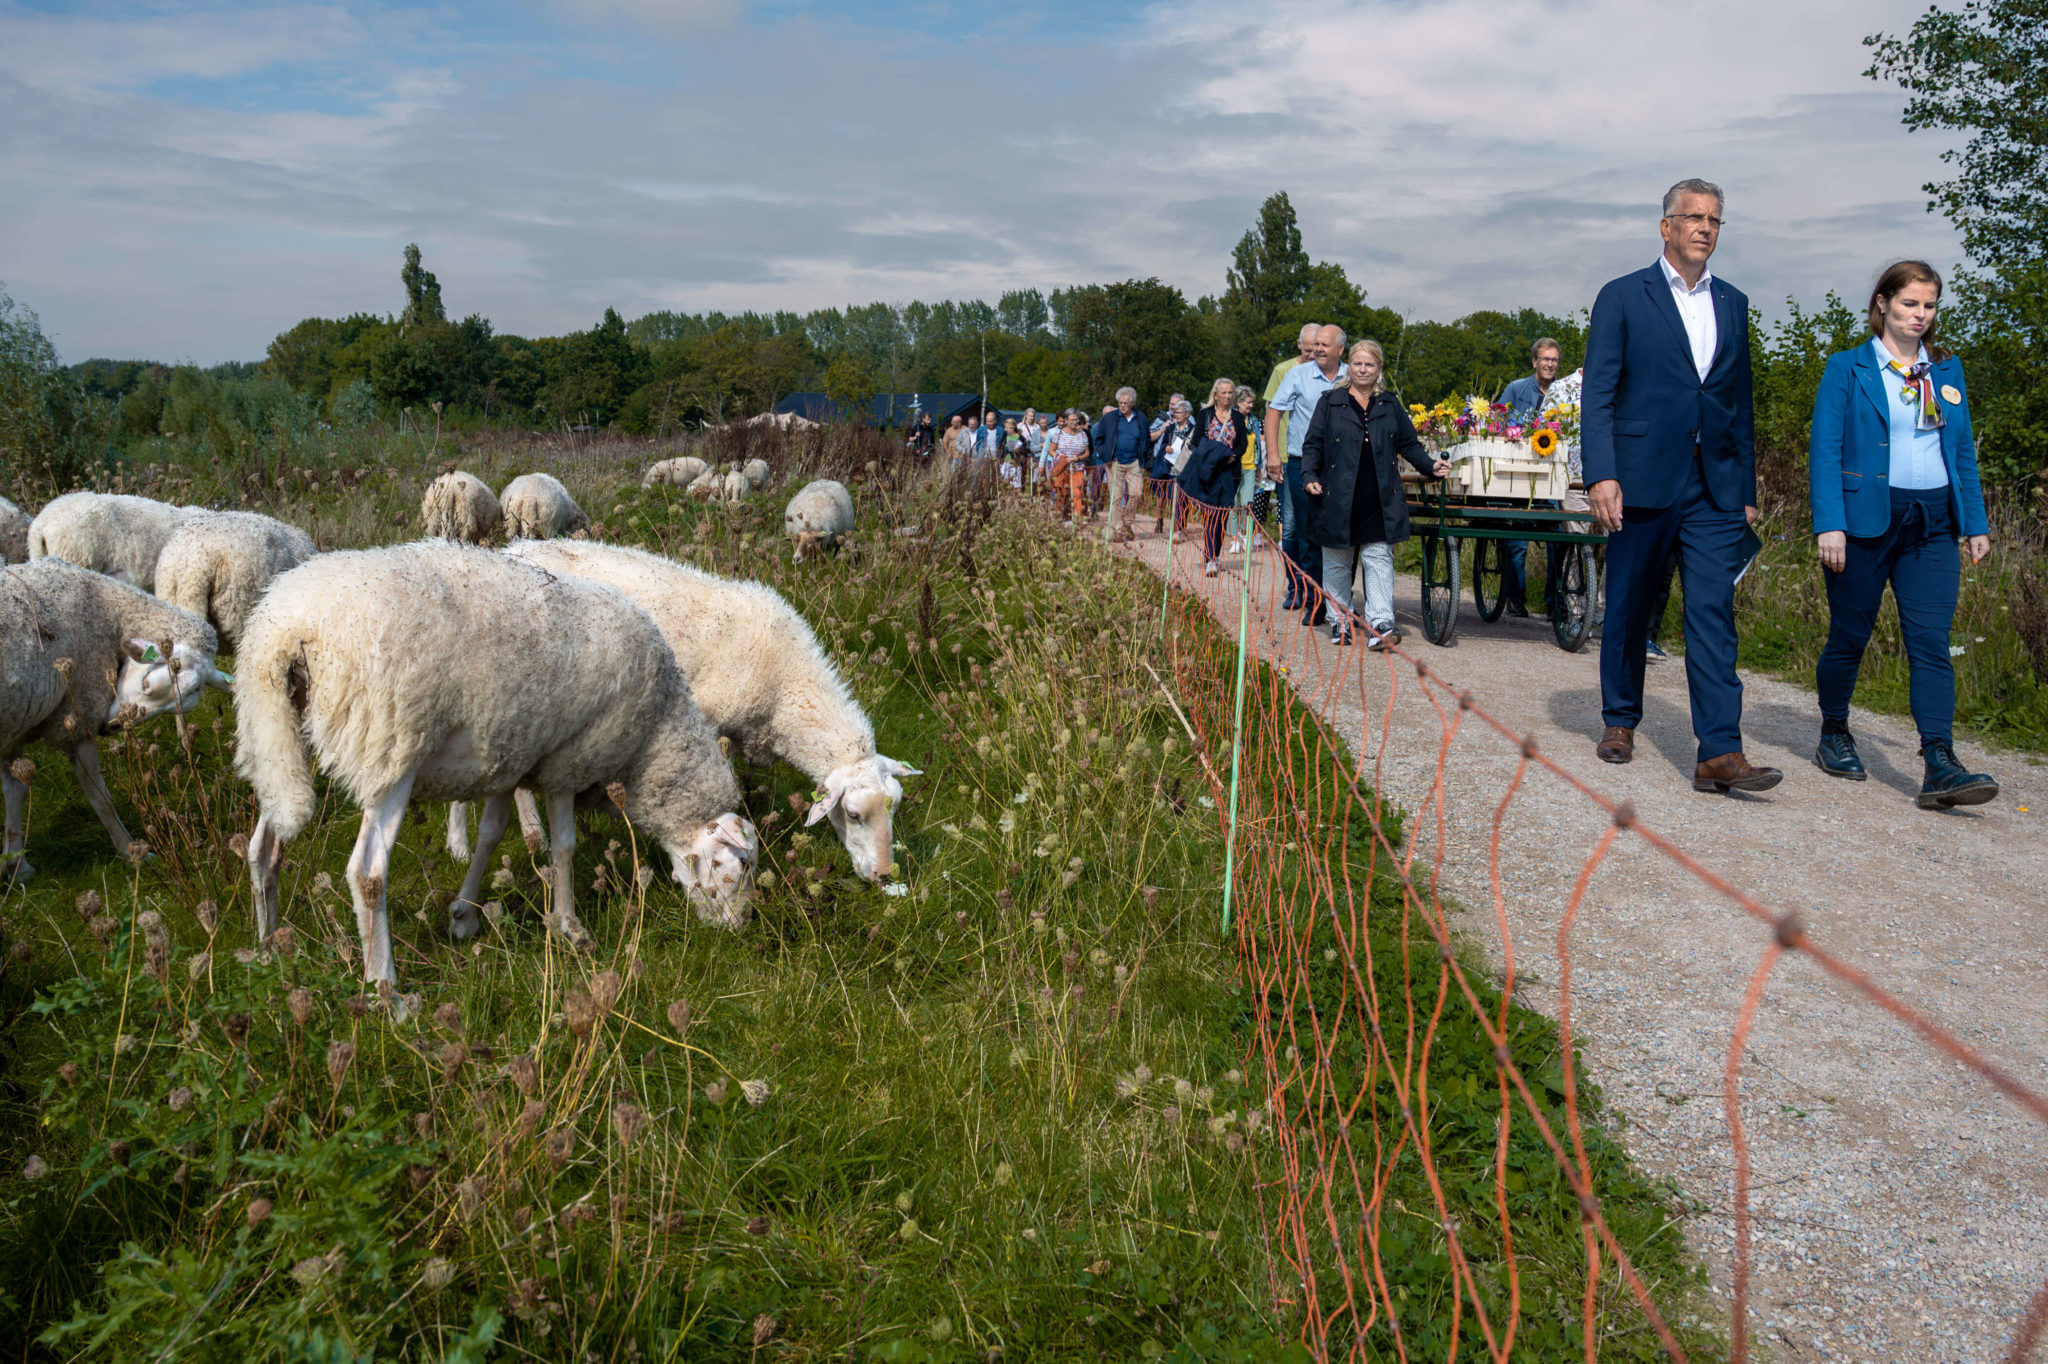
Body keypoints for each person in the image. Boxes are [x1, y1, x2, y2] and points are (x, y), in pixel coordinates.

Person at [1582, 178, 1778, 792]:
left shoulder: (1735, 302)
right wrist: (1602, 473)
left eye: (1714, 220)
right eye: (1692, 217)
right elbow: (1600, 394)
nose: (1703, 228)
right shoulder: (1621, 296)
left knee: (1714, 613)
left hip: (1714, 486)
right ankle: (1619, 719)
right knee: (1633, 602)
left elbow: (1736, 402)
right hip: (1640, 477)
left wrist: (1744, 487)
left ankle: (1719, 749)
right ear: (1665, 226)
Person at [1808, 260, 1997, 809]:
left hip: (1934, 522)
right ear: (1884, 303)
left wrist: (1975, 523)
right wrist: (1830, 523)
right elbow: (1826, 449)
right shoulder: (1848, 368)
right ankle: (1834, 731)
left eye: (1930, 305)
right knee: (1850, 636)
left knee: (1931, 642)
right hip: (1864, 520)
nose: (1920, 315)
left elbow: (1960, 451)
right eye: (1911, 303)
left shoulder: (1946, 370)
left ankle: (1940, 761)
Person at [1302, 340, 1453, 646]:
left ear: (1379, 369)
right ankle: (1340, 620)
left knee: (1378, 558)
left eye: (1369, 365)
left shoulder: (1389, 404)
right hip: (1337, 495)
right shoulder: (1330, 402)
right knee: (1336, 561)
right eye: (1357, 363)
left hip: (1378, 497)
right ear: (1349, 366)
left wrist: (1430, 466)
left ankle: (1380, 623)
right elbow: (1313, 444)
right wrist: (1308, 476)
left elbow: (1409, 444)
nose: (1362, 369)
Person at [1267, 324, 1348, 624]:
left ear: (1340, 349)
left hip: (1342, 467)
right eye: (1314, 345)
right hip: (1303, 463)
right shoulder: (1297, 374)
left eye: (1324, 345)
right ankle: (1314, 600)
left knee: (1342, 534)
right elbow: (1274, 410)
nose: (1317, 350)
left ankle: (1338, 599)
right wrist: (1274, 455)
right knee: (1305, 532)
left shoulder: (1352, 376)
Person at [1498, 337, 1565, 617]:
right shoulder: (1516, 388)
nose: (1550, 364)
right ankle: (1515, 596)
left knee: (1558, 538)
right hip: (1519, 472)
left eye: (1554, 360)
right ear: (1534, 362)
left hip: (1551, 472)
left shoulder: (1562, 391)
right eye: (1545, 359)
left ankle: (1554, 601)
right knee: (1517, 539)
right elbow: (1497, 421)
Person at [1179, 379, 1250, 576]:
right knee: (1210, 514)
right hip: (1208, 471)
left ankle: (1215, 554)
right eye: (1224, 393)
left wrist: (1233, 455)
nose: (1228, 396)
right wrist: (1214, 453)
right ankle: (1210, 558)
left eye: (1230, 393)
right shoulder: (1205, 414)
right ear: (1216, 394)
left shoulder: (1237, 417)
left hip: (1229, 473)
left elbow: (1243, 444)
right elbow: (1195, 442)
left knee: (1222, 516)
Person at [1093, 387, 1152, 542]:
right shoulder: (1109, 418)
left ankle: (1127, 523)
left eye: (1125, 403)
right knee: (1116, 498)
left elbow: (1146, 440)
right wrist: (1106, 456)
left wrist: (1143, 459)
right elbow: (1098, 439)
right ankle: (1117, 530)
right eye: (1120, 402)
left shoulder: (1141, 419)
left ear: (1132, 403)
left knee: (1136, 493)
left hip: (1134, 462)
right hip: (1115, 463)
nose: (1122, 405)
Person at [1225, 384, 1263, 555]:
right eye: (1248, 403)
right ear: (1238, 402)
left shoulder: (1253, 420)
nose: (1251, 406)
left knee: (1248, 505)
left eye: (1251, 403)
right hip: (1233, 468)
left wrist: (1259, 465)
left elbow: (1257, 445)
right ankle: (1233, 539)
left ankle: (1244, 534)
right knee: (1233, 505)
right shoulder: (1230, 419)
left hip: (1250, 467)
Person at [1049, 409, 1092, 524]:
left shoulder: (1082, 434)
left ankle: (1077, 519)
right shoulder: (1059, 434)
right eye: (1072, 420)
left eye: (1076, 420)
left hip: (1077, 468)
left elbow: (1087, 453)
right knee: (1061, 493)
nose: (1074, 422)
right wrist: (1061, 458)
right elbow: (1051, 450)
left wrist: (1076, 458)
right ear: (1066, 421)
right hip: (1062, 469)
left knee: (1078, 493)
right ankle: (1060, 518)